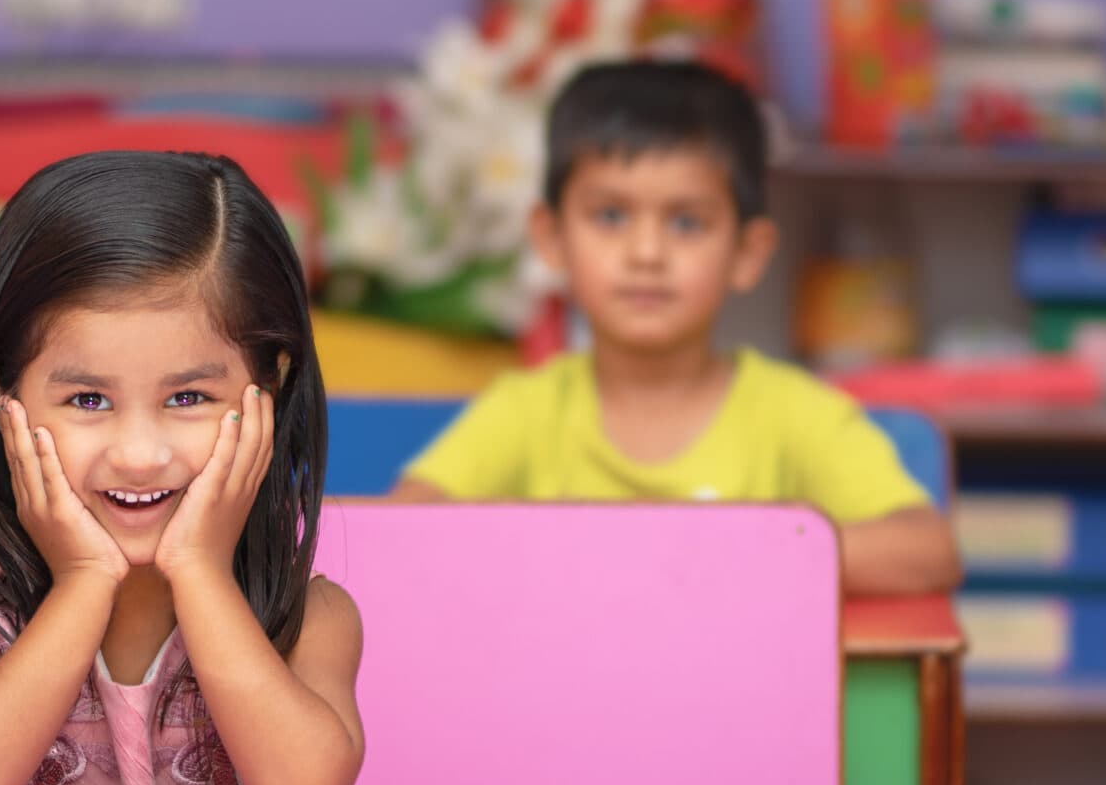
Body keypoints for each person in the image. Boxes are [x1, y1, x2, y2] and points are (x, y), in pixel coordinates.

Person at [0, 151, 365, 785]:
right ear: (1, 396)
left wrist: (201, 570)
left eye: (189, 397)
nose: (140, 456)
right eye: (88, 399)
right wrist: (84, 579)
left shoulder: (307, 620)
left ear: (270, 388)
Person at [392, 59, 961, 597]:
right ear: (552, 238)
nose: (647, 253)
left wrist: (732, 556)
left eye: (687, 222)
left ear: (747, 252)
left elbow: (928, 550)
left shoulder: (797, 415)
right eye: (610, 216)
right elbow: (397, 533)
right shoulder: (525, 410)